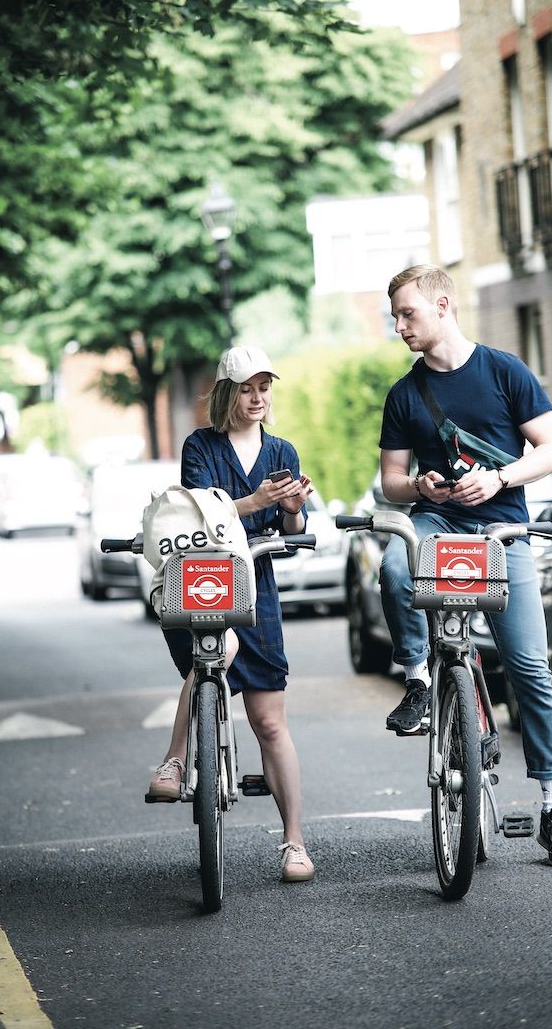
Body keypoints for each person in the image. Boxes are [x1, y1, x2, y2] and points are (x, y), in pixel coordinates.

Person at [378, 264, 552, 867]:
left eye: (407, 313)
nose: (399, 326)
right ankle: (417, 677)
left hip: (503, 529)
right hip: (437, 524)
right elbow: (392, 482)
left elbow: (551, 449)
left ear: (443, 305)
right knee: (394, 566)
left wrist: (498, 476)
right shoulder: (403, 393)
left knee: (530, 670)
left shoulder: (503, 371)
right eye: (395, 316)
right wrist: (423, 486)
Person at [147, 345, 315, 883]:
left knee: (270, 720)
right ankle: (176, 758)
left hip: (257, 581)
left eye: (265, 387)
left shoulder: (282, 449)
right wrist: (254, 500)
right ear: (226, 392)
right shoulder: (201, 445)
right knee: (211, 658)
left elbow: (291, 533)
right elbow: (196, 514)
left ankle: (294, 843)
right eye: (247, 388)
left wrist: (289, 511)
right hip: (205, 577)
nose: (258, 397)